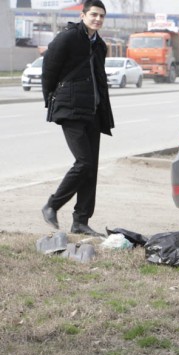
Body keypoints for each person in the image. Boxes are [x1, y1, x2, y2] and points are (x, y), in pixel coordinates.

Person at [40, 0, 114, 237]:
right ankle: (52, 204)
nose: (98, 19)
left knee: (91, 168)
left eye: (101, 16)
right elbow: (49, 70)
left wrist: (103, 109)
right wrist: (51, 100)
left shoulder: (99, 45)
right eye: (93, 15)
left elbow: (99, 79)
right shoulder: (68, 38)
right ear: (83, 15)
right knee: (83, 162)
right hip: (70, 108)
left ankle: (81, 221)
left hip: (93, 110)